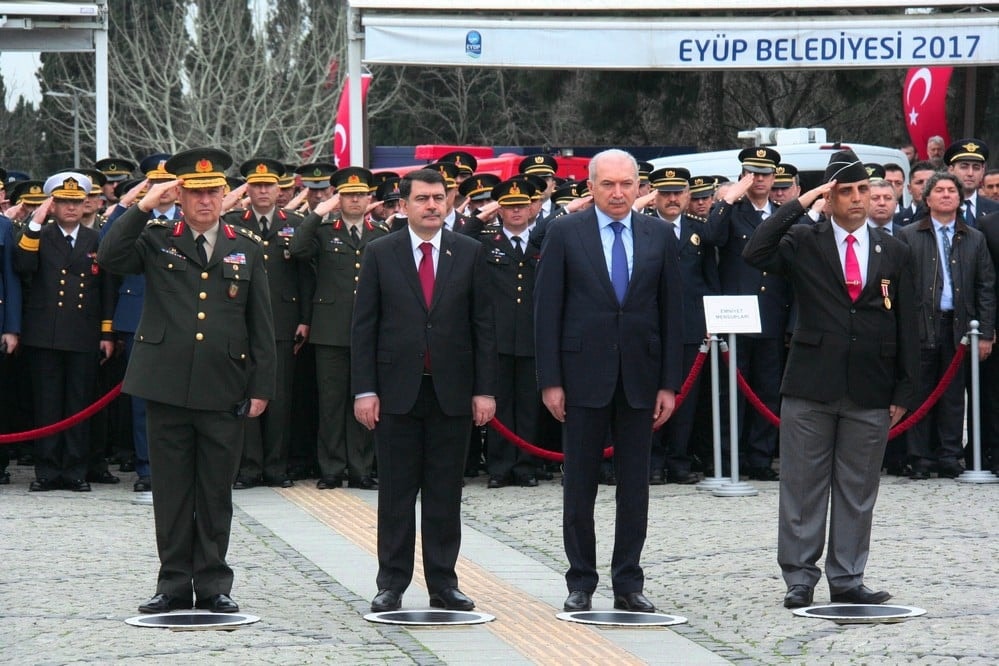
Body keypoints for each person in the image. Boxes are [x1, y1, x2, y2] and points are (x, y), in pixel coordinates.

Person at [98, 148, 276, 614]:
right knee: (173, 492)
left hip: (224, 385)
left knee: (215, 492)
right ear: (179, 195)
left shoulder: (245, 245)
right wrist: (142, 205)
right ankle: (173, 583)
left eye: (212, 192)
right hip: (166, 384)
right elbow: (109, 254)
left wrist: (261, 387)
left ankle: (215, 584)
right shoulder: (157, 238)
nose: (204, 202)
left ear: (224, 194)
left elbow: (261, 323)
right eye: (194, 193)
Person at [742, 149, 919, 608]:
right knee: (802, 486)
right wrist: (804, 202)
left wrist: (903, 388)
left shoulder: (894, 250)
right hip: (810, 384)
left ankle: (847, 576)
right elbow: (755, 249)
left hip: (871, 387)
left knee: (858, 489)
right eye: (847, 191)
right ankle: (800, 577)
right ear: (830, 196)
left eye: (865, 189)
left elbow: (908, 324)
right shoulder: (805, 241)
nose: (859, 199)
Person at [534, 149, 683, 613]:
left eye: (626, 184)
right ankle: (580, 581)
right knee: (579, 484)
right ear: (591, 186)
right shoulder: (564, 233)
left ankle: (628, 583)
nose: (618, 193)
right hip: (581, 378)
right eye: (608, 185)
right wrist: (551, 380)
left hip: (640, 377)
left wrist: (668, 383)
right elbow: (547, 311)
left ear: (640, 186)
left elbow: (672, 313)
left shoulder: (659, 234)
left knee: (634, 486)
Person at [351, 168, 496, 613]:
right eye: (422, 199)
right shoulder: (381, 252)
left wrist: (484, 391)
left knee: (444, 492)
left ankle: (443, 583)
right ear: (403, 204)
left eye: (439, 198)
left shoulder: (469, 252)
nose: (432, 206)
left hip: (452, 391)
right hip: (396, 393)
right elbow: (364, 327)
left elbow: (483, 327)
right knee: (395, 492)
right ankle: (391, 583)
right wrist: (364, 391)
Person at [15, 172, 115, 492]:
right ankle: (46, 470)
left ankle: (74, 470)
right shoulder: (39, 235)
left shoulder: (94, 239)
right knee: (47, 404)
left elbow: (106, 289)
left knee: (78, 403)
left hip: (83, 334)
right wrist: (35, 220)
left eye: (76, 202)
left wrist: (106, 333)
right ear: (52, 205)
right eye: (63, 202)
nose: (71, 208)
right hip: (44, 333)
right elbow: (23, 265)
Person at [291, 166, 387, 490]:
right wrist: (319, 211)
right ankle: (331, 468)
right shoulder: (324, 231)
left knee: (365, 400)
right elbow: (297, 249)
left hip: (369, 332)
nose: (355, 200)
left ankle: (361, 468)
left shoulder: (380, 233)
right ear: (339, 198)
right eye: (348, 195)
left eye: (360, 195)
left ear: (369, 198)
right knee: (331, 403)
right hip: (330, 330)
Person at [897, 172, 995, 479]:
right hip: (920, 323)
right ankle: (920, 457)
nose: (946, 195)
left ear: (960, 198)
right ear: (927, 199)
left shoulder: (975, 238)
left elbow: (986, 287)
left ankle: (950, 455)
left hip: (960, 325)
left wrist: (986, 332)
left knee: (953, 395)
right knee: (920, 391)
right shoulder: (908, 234)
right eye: (938, 190)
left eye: (951, 191)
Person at [225, 158, 312, 489]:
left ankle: (276, 466)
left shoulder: (296, 222)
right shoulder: (233, 220)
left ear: (280, 190)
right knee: (246, 394)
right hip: (242, 322)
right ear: (247, 188)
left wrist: (305, 318)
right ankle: (248, 467)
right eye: (256, 185)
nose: (263, 191)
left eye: (269, 185)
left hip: (282, 322)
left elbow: (305, 275)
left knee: (279, 397)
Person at [706, 147, 790, 481]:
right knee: (733, 393)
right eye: (752, 173)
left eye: (765, 174)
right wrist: (728, 199)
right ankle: (729, 458)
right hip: (735, 316)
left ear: (774, 178)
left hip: (771, 314)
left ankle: (760, 457)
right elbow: (711, 237)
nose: (759, 180)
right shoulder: (732, 211)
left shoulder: (782, 213)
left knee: (767, 390)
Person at [478, 178, 542, 489]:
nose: (516, 211)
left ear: (532, 207)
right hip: (498, 338)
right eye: (508, 205)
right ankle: (500, 467)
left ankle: (525, 466)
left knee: (528, 406)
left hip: (531, 336)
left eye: (522, 205)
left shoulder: (543, 240)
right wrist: (484, 213)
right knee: (499, 405)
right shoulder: (487, 241)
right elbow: (458, 235)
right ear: (499, 209)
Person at [944, 138, 999, 227]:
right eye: (964, 167)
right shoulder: (938, 208)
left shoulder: (996, 209)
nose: (970, 173)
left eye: (976, 167)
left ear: (983, 172)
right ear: (951, 170)